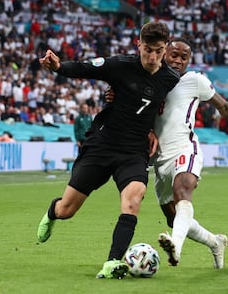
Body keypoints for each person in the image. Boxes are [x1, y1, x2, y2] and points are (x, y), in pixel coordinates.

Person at [36, 21, 180, 280]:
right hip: (102, 146)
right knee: (67, 210)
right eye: (148, 49)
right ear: (139, 45)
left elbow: (168, 110)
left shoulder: (171, 79)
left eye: (158, 51)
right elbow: (85, 67)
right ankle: (52, 211)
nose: (152, 56)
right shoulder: (121, 65)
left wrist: (152, 130)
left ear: (165, 49)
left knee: (134, 198)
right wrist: (58, 67)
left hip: (134, 151)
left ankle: (113, 262)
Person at [152, 38, 228, 268]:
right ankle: (215, 242)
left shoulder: (194, 80)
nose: (178, 61)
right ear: (164, 55)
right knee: (174, 218)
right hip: (159, 159)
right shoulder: (151, 80)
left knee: (182, 191)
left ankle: (176, 248)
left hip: (186, 148)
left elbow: (224, 108)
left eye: (184, 58)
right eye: (174, 55)